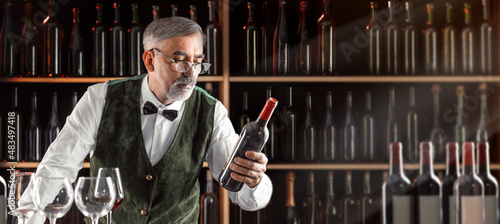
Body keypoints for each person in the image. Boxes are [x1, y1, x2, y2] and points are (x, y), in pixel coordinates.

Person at [28, 16, 272, 223]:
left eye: (197, 63)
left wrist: (254, 181)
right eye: (180, 60)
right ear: (149, 60)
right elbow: (57, 168)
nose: (191, 72)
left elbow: (243, 197)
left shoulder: (212, 112)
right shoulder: (101, 98)